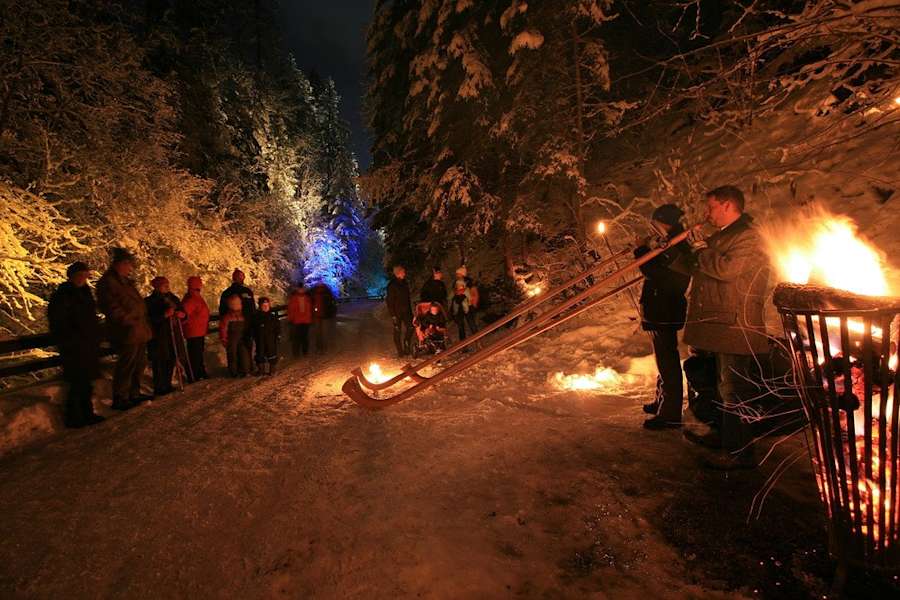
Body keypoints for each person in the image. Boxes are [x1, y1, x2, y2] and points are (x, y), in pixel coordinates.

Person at [675, 185, 771, 470]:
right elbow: (703, 269)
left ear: (728, 206)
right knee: (718, 385)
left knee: (735, 390)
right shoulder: (724, 236)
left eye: (711, 207)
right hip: (719, 323)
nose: (707, 213)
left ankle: (740, 452)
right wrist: (688, 249)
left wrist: (703, 249)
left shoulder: (748, 236)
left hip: (736, 323)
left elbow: (727, 271)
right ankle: (724, 437)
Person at [634, 204, 692, 431]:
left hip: (664, 308)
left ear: (665, 223)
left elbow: (655, 272)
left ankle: (670, 412)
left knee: (667, 361)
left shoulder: (676, 245)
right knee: (663, 359)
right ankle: (663, 400)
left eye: (656, 223)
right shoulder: (670, 242)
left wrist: (640, 251)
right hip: (661, 307)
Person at [47, 262, 105, 428]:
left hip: (86, 344)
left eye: (85, 276)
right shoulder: (63, 295)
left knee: (86, 381)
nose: (83, 279)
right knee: (77, 381)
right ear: (71, 276)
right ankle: (74, 416)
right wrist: (71, 338)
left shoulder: (84, 293)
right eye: (80, 276)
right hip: (74, 346)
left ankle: (87, 412)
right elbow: (58, 321)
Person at [96, 248, 152, 410]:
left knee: (139, 363)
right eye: (128, 264)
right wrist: (127, 320)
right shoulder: (108, 283)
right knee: (126, 364)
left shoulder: (126, 282)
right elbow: (110, 306)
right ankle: (121, 396)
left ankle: (134, 392)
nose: (130, 268)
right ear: (119, 264)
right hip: (127, 330)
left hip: (138, 329)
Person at [145, 276, 186, 396]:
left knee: (171, 358)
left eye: (167, 284)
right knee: (159, 360)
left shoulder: (173, 299)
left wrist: (182, 315)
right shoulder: (150, 301)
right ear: (157, 286)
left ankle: (167, 384)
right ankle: (159, 386)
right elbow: (149, 319)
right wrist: (164, 315)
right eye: (164, 284)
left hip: (172, 333)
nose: (167, 286)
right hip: (159, 335)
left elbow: (183, 312)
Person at [219, 269, 255, 370]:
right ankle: (243, 367)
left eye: (242, 276)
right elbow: (223, 311)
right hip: (238, 323)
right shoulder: (230, 293)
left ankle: (245, 367)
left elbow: (252, 308)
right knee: (238, 347)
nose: (241, 278)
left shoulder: (230, 292)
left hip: (245, 322)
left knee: (242, 347)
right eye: (240, 276)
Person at [181, 276, 210, 382]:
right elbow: (185, 313)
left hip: (198, 330)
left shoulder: (195, 296)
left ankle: (200, 372)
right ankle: (195, 374)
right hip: (193, 331)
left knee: (198, 352)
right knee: (195, 354)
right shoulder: (191, 299)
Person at [386, 265, 414, 356]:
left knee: (411, 327)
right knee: (397, 331)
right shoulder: (392, 285)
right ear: (398, 273)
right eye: (403, 272)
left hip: (406, 311)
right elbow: (390, 300)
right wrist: (393, 314)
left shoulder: (405, 283)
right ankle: (400, 351)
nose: (405, 274)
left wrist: (410, 311)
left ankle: (406, 344)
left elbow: (407, 298)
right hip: (397, 312)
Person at [220, 294, 251, 377]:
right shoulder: (228, 317)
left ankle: (245, 370)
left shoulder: (241, 316)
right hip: (232, 338)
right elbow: (223, 328)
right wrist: (224, 338)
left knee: (243, 353)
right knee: (233, 354)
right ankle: (235, 372)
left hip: (240, 337)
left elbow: (246, 327)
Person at [253, 297, 280, 375]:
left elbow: (277, 327)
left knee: (272, 353)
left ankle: (272, 370)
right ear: (260, 306)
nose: (265, 307)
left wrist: (278, 335)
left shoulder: (273, 317)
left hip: (270, 339)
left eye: (267, 305)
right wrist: (253, 335)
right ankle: (261, 370)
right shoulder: (256, 317)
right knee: (260, 354)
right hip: (260, 339)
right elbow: (252, 327)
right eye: (263, 305)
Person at [287, 284, 313, 357]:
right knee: (296, 338)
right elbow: (290, 310)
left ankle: (305, 352)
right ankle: (296, 353)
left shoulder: (308, 298)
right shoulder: (293, 298)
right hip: (296, 321)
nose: (301, 290)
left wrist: (310, 319)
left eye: (302, 289)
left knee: (305, 337)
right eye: (300, 289)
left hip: (305, 321)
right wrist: (290, 319)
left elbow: (310, 310)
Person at [311, 283, 337, 354]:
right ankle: (324, 348)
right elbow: (332, 304)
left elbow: (311, 304)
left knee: (318, 333)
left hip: (317, 316)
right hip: (325, 316)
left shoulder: (313, 293)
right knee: (324, 333)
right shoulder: (328, 293)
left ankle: (319, 348)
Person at [455, 265, 479, 334]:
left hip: (468, 304)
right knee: (470, 322)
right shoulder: (463, 282)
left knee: (471, 322)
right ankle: (476, 338)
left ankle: (477, 338)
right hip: (465, 304)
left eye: (458, 274)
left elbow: (473, 292)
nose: (456, 275)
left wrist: (474, 303)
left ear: (461, 274)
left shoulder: (467, 283)